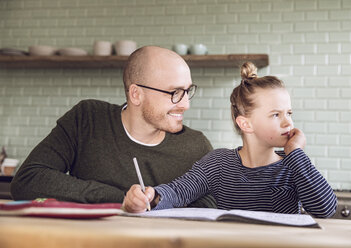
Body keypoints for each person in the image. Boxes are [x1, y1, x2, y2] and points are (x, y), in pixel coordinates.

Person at [123, 62, 338, 218]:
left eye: (289, 113)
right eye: (276, 114)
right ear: (246, 124)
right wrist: (152, 197)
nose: (288, 123)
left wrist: (296, 153)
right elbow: (179, 192)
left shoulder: (294, 165)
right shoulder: (219, 163)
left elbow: (325, 209)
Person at [10, 46, 216, 208]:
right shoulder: (87, 119)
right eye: (175, 93)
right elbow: (28, 179)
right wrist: (121, 197)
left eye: (188, 91)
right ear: (136, 94)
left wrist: (160, 199)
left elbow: (215, 203)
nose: (186, 104)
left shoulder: (197, 146)